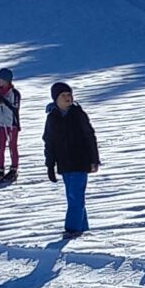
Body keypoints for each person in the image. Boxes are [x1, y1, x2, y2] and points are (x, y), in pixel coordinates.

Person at [43, 81, 99, 238]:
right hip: (64, 164)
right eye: (63, 95)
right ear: (56, 99)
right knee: (73, 196)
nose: (68, 98)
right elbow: (49, 142)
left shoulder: (78, 114)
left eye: (69, 95)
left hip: (80, 162)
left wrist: (94, 159)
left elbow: (90, 137)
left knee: (75, 196)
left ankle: (72, 229)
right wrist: (50, 165)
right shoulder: (52, 118)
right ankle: (82, 227)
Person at [0, 69, 22, 181]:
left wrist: (3, 100)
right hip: (2, 123)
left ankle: (14, 169)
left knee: (12, 146)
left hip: (12, 123)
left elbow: (15, 108)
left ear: (6, 80)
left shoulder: (14, 93)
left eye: (0, 79)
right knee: (1, 147)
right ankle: (0, 170)